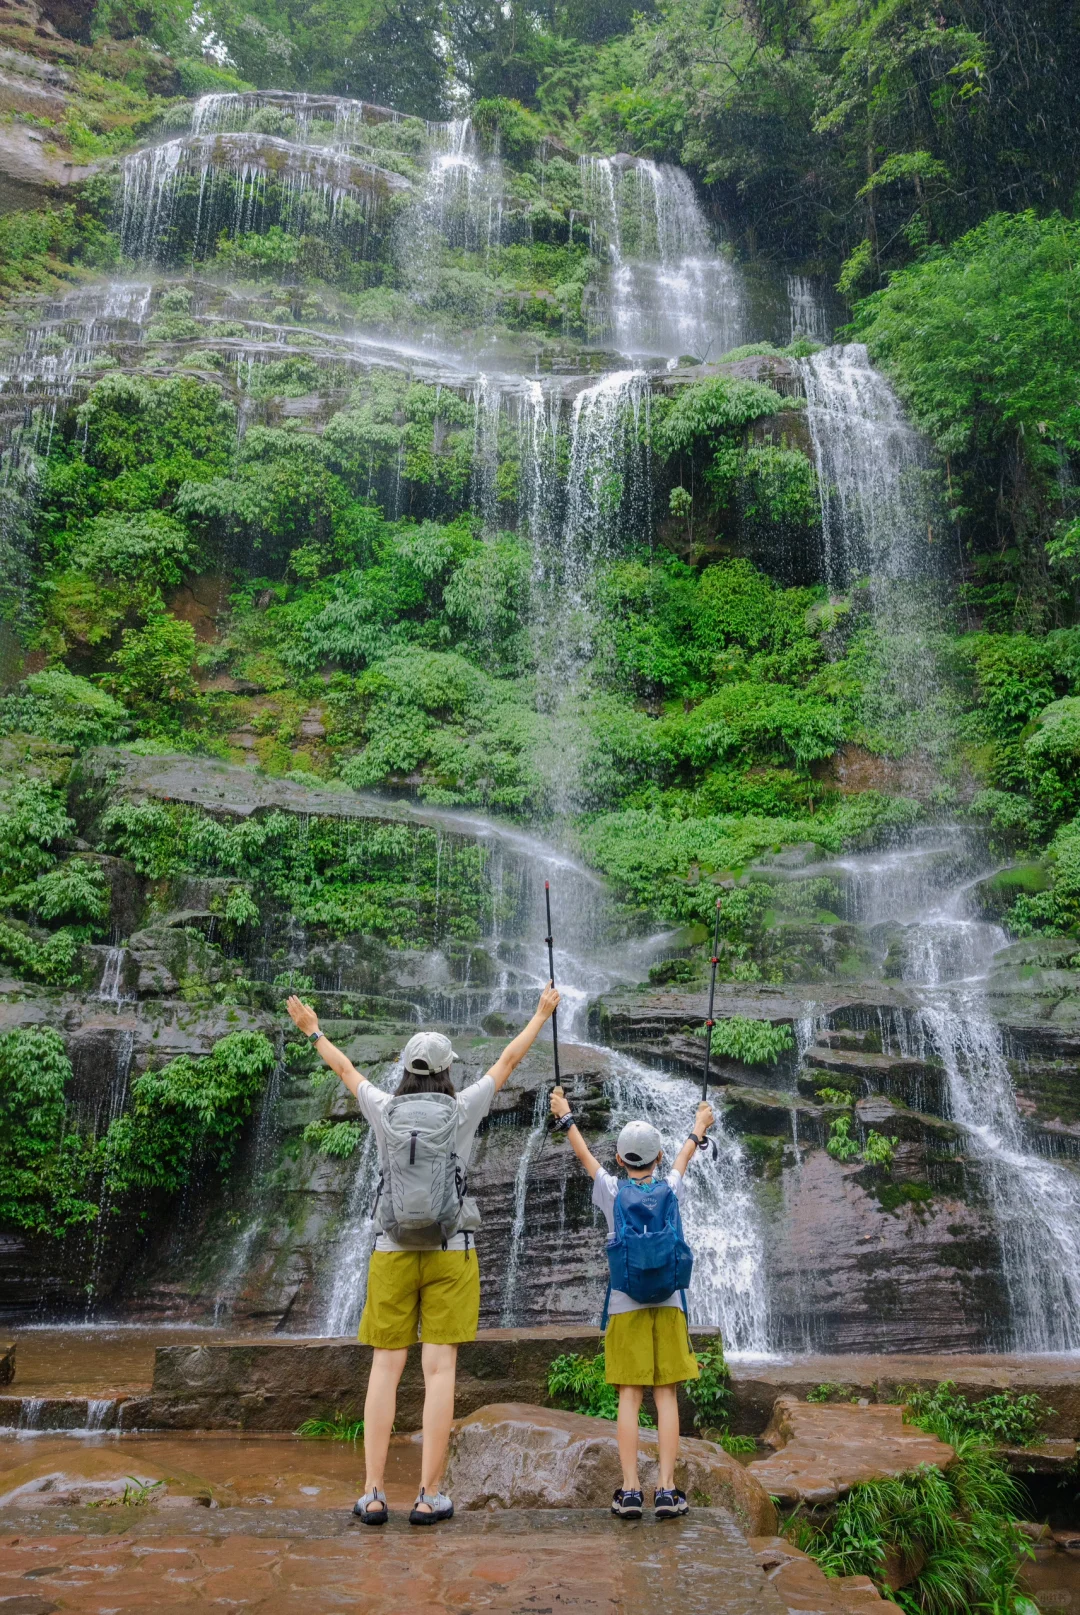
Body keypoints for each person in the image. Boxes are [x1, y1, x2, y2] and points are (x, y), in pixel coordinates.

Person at [286, 986, 559, 1526]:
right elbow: (508, 1060)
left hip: (390, 1252)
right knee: (439, 1372)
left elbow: (343, 1070)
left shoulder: (384, 1108)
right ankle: (429, 1495)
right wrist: (541, 1014)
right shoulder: (462, 1108)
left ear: (405, 1069)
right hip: (450, 1252)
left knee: (385, 1369)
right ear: (445, 1070)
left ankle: (371, 1494)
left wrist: (312, 1029)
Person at [550, 1087, 715, 1521]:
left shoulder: (610, 1190)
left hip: (625, 1306)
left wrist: (566, 1117)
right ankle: (666, 1489)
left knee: (629, 1395)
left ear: (621, 1160)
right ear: (657, 1158)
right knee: (666, 1396)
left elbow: (585, 1157)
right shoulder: (671, 1187)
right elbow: (684, 1160)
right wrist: (698, 1129)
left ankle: (628, 1491)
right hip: (669, 1303)